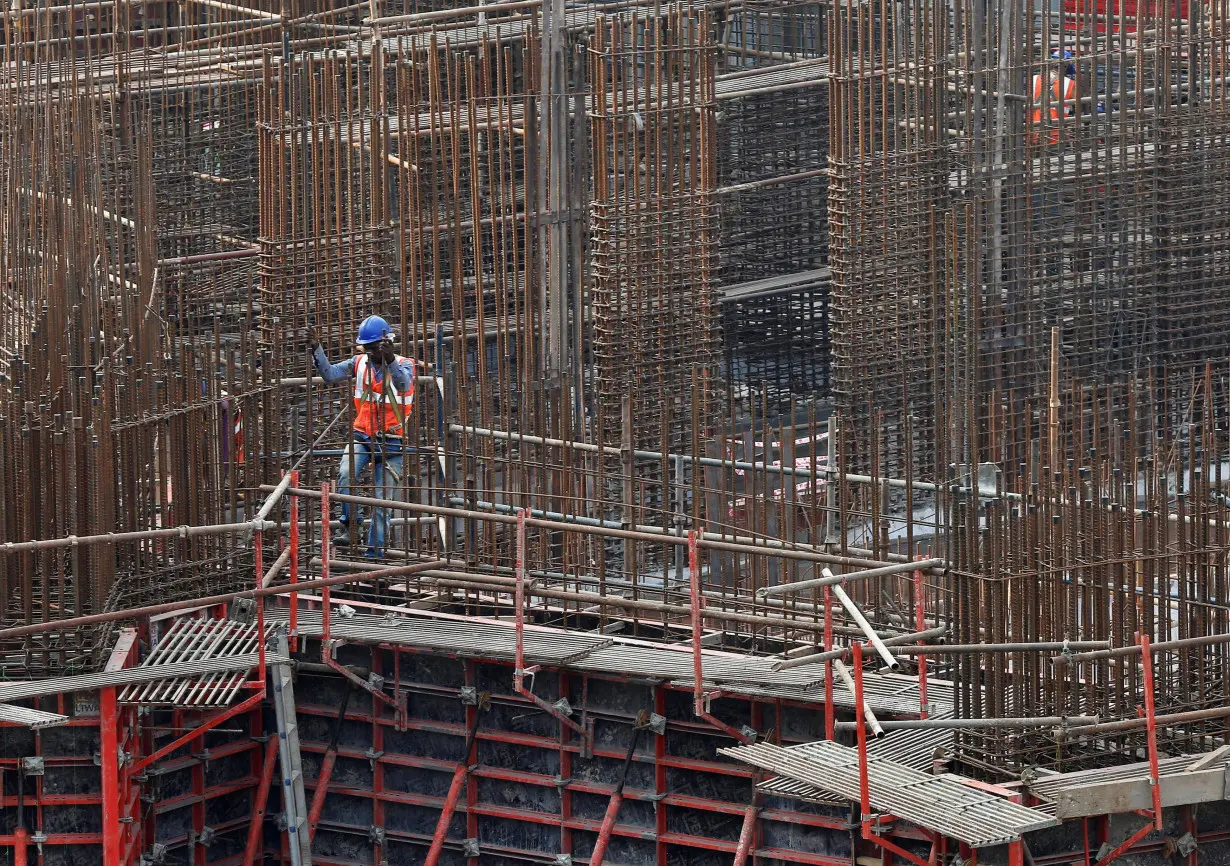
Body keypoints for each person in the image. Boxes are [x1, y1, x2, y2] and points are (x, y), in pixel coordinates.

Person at [308, 315, 416, 558]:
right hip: (363, 437)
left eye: (372, 348)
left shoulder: (405, 365)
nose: (368, 352)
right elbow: (329, 374)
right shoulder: (359, 363)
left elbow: (402, 385)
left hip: (392, 443)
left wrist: (389, 361)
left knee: (382, 504)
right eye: (365, 348)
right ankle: (352, 524)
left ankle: (374, 557)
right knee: (346, 474)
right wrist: (317, 349)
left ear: (385, 344)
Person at [1030, 49, 1077, 146]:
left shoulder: (1034, 79)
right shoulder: (1070, 84)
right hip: (1057, 134)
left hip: (1034, 131)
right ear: (1067, 67)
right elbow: (1078, 106)